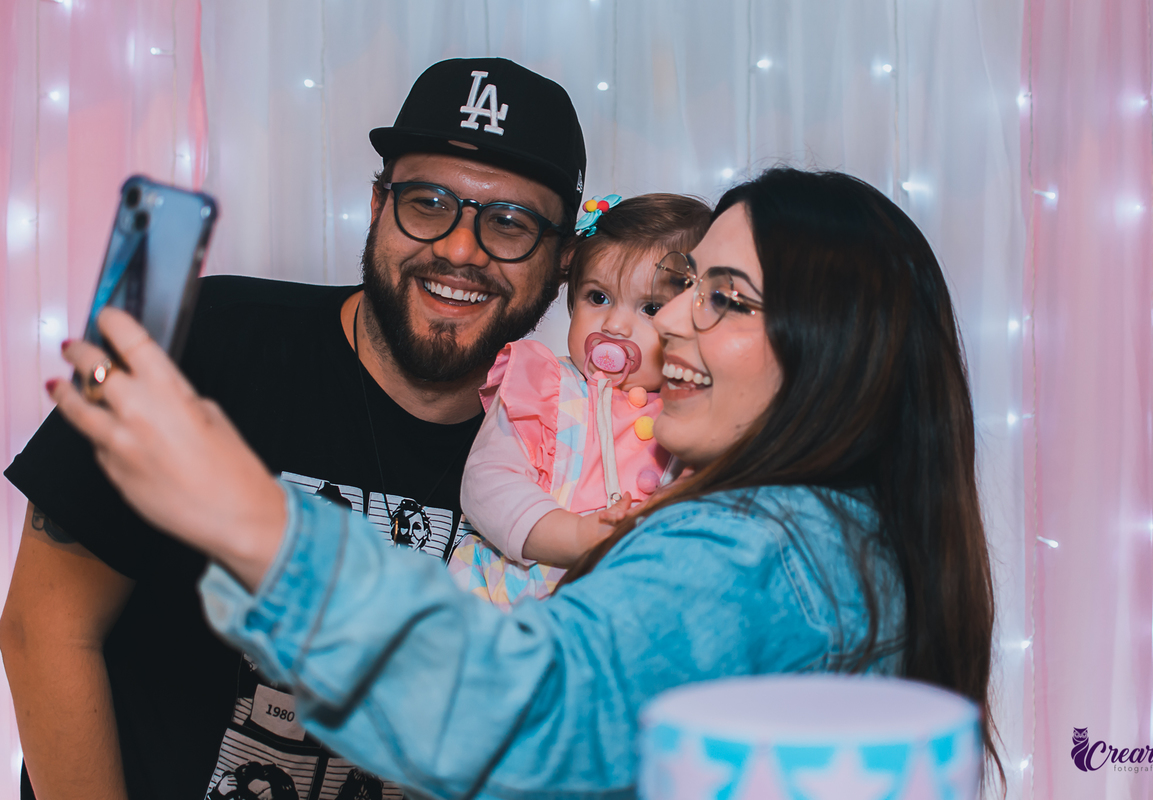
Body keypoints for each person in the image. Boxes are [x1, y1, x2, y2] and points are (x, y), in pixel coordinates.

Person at [47, 167, 1001, 797]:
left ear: (832, 349)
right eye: (686, 288)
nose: (672, 322)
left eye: (724, 298)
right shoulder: (851, 540)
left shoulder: (761, 549)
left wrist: (247, 515)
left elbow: (508, 716)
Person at [0, 57, 586, 800]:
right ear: (377, 205)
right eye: (429, 202)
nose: (460, 250)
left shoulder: (569, 440)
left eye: (509, 223)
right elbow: (44, 628)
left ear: (563, 260)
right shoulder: (198, 335)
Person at [450, 193, 711, 608]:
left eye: (650, 307)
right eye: (598, 297)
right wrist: (574, 537)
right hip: (506, 594)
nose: (615, 325)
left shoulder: (696, 414)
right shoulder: (544, 386)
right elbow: (485, 483)